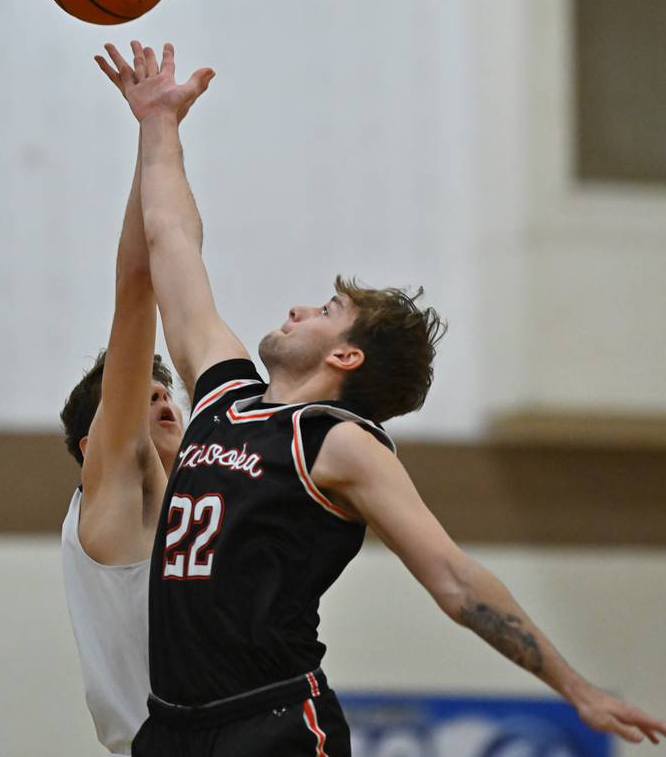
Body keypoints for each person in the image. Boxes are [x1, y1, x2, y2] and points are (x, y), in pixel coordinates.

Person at [97, 39, 666, 757]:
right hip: (172, 727)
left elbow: (455, 581)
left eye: (327, 310)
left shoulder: (336, 441)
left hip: (269, 723)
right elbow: (171, 238)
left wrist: (578, 689)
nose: (301, 309)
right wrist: (159, 126)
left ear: (346, 356)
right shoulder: (222, 394)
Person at [59, 118, 185, 756]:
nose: (161, 397)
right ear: (92, 446)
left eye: (167, 393)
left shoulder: (191, 496)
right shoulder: (111, 486)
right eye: (144, 395)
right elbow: (136, 290)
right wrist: (154, 135)